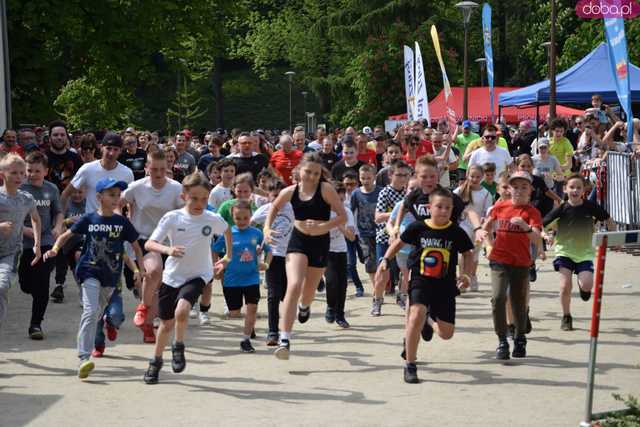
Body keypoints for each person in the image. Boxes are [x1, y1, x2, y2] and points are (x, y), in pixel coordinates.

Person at [43, 177, 145, 379]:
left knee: (97, 313)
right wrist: (55, 249)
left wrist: (139, 271)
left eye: (118, 195)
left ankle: (99, 331)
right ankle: (84, 357)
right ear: (99, 197)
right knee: (90, 312)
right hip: (89, 272)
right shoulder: (89, 219)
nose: (116, 198)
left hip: (111, 276)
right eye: (111, 194)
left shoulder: (122, 222)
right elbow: (66, 236)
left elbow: (135, 247)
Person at [142, 172, 231, 384]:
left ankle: (178, 347)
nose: (199, 203)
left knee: (182, 310)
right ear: (184, 196)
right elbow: (149, 244)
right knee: (165, 325)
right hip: (172, 276)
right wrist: (168, 249)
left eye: (203, 198)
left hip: (199, 274)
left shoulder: (212, 218)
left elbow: (227, 231)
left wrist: (227, 257)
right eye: (194, 198)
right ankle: (156, 361)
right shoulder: (173, 218)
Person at [378, 188, 473, 383]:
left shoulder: (455, 231)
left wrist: (466, 274)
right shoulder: (418, 227)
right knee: (414, 315)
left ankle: (429, 319)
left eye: (448, 207)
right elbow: (399, 243)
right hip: (420, 279)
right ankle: (410, 364)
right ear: (430, 208)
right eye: (439, 206)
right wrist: (386, 259)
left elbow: (468, 253)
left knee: (446, 334)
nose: (443, 210)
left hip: (445, 284)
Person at [263, 152, 346, 360]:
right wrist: (266, 229)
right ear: (299, 171)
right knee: (294, 285)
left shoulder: (326, 190)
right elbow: (274, 207)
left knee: (308, 293)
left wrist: (324, 225)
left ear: (320, 174)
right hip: (298, 241)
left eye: (316, 173)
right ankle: (284, 339)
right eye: (308, 172)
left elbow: (342, 216)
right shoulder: (291, 191)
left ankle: (304, 306)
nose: (311, 176)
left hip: (320, 243)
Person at [481, 171, 542, 360]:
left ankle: (520, 338)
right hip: (499, 260)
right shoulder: (500, 207)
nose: (519, 191)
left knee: (518, 302)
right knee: (498, 298)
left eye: (524, 187)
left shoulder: (532, 212)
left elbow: (537, 238)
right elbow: (486, 228)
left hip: (521, 262)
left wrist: (525, 227)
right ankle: (502, 340)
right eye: (515, 187)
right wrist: (488, 243)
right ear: (509, 188)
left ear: (530, 191)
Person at [125, 151, 184, 342]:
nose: (158, 173)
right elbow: (119, 203)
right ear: (146, 168)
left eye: (162, 169)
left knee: (160, 286)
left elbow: (184, 213)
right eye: (154, 169)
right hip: (143, 238)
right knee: (154, 271)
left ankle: (148, 325)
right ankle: (143, 307)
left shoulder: (175, 188)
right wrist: (120, 225)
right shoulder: (136, 187)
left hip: (168, 241)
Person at [542, 174, 613, 331]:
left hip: (585, 253)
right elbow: (541, 226)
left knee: (587, 284)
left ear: (584, 190)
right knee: (564, 285)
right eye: (571, 187)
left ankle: (584, 289)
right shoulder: (561, 208)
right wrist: (545, 235)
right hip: (564, 251)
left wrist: (614, 239)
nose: (575, 190)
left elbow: (608, 219)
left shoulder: (590, 206)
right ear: (565, 189)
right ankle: (566, 316)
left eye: (578, 187)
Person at [213, 200, 271, 352]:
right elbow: (215, 249)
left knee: (251, 309)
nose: (242, 221)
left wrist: (266, 264)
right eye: (238, 218)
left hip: (251, 277)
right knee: (234, 312)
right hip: (231, 279)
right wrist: (217, 266)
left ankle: (245, 340)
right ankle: (249, 325)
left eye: (245, 218)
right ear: (232, 217)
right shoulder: (228, 233)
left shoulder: (256, 233)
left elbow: (268, 250)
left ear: (251, 216)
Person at [18, 152, 63, 339]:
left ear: (46, 171)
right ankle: (33, 289)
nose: (32, 174)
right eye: (29, 170)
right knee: (26, 285)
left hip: (45, 242)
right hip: (24, 243)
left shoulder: (51, 189)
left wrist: (58, 226)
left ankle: (35, 324)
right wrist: (22, 229)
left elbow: (58, 212)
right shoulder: (19, 189)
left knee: (42, 282)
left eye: (37, 171)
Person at [0, 154, 42, 331]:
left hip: (10, 253)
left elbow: (36, 219)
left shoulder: (26, 198)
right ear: (2, 174)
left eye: (21, 173)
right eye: (14, 173)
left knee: (1, 287)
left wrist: (37, 244)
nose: (18, 177)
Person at [251, 181, 294, 345]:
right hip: (273, 256)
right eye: (273, 196)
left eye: (280, 195)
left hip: (291, 256)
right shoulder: (264, 210)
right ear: (268, 196)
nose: (277, 199)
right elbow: (251, 226)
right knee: (273, 295)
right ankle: (273, 332)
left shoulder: (292, 208)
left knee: (287, 295)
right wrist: (255, 242)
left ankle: (285, 327)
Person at [370, 160, 411, 314]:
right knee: (383, 270)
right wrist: (398, 211)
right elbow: (378, 217)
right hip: (385, 237)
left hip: (406, 240)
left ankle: (402, 296)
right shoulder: (385, 192)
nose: (402, 178)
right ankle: (377, 300)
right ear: (390, 175)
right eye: (399, 175)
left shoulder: (412, 193)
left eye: (406, 175)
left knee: (407, 271)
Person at [61, 133, 134, 215]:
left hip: (115, 224)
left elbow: (131, 201)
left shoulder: (127, 173)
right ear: (101, 147)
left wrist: (129, 220)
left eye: (115, 149)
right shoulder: (87, 169)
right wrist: (60, 222)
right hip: (91, 224)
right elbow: (65, 194)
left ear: (120, 151)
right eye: (108, 148)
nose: (111, 153)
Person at [453, 164, 493, 291]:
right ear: (467, 176)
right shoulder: (459, 191)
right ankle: (462, 278)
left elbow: (488, 211)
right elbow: (451, 205)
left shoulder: (486, 193)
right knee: (464, 252)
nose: (474, 179)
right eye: (472, 176)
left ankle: (472, 275)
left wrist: (484, 221)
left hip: (479, 227)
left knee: (475, 254)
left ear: (482, 177)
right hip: (463, 225)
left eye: (477, 177)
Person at [325, 183, 356, 328]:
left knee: (342, 284)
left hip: (341, 250)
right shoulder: (322, 212)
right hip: (325, 250)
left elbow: (351, 237)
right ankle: (331, 306)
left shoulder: (347, 212)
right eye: (337, 200)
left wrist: (339, 224)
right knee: (331, 282)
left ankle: (340, 315)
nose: (340, 203)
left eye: (343, 200)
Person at [350, 164, 381, 288]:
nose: (366, 181)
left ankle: (384, 284)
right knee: (369, 261)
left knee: (381, 259)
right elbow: (351, 211)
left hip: (380, 231)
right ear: (359, 178)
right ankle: (376, 288)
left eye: (369, 178)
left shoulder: (380, 191)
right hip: (364, 233)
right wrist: (350, 227)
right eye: (363, 178)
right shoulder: (356, 193)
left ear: (374, 177)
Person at [45, 121, 82, 192]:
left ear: (67, 137)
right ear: (49, 138)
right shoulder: (42, 158)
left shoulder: (76, 158)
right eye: (55, 135)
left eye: (62, 135)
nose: (59, 137)